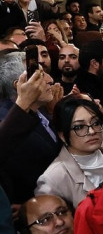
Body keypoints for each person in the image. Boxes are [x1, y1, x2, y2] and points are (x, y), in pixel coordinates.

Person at [36, 96, 103, 206]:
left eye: (95, 123)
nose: (92, 131)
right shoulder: (53, 179)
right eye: (79, 127)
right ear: (62, 136)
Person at [0, 54, 60, 204]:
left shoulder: (41, 109)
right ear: (19, 85)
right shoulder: (8, 123)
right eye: (40, 76)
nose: (50, 80)